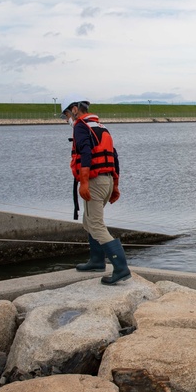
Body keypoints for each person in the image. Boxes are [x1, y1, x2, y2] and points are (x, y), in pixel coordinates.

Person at [60, 98, 130, 285]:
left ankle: (121, 269)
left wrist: (83, 182)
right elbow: (114, 157)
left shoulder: (81, 126)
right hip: (106, 180)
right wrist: (114, 185)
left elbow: (85, 154)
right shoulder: (100, 126)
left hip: (94, 182)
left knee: (96, 225)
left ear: (74, 110)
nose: (66, 119)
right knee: (88, 221)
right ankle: (97, 261)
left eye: (66, 115)